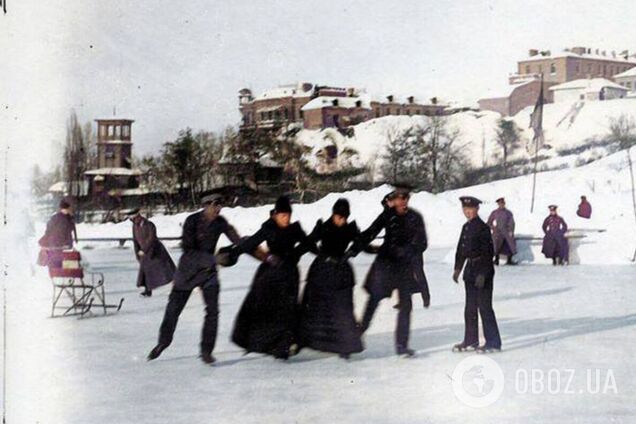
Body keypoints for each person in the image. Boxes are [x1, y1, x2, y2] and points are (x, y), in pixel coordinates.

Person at [147, 194, 241, 365]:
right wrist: (215, 260)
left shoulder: (221, 222)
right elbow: (189, 252)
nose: (218, 209)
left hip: (208, 274)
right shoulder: (192, 221)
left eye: (220, 205)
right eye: (215, 205)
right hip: (187, 273)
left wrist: (246, 243)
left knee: (212, 312)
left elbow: (237, 239)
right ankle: (163, 342)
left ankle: (206, 351)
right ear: (205, 206)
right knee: (173, 310)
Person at [348, 185, 430, 357]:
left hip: (404, 267)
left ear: (408, 199)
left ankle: (402, 346)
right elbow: (370, 232)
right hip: (385, 266)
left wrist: (408, 250)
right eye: (399, 198)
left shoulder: (415, 218)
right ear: (395, 198)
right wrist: (353, 250)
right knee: (373, 301)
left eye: (405, 198)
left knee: (406, 306)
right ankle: (354, 338)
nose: (402, 201)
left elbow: (422, 243)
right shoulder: (388, 215)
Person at [229, 196, 310, 360]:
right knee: (266, 309)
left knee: (287, 311)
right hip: (271, 274)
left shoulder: (295, 229)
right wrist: (234, 253)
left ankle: (283, 346)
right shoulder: (269, 228)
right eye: (282, 215)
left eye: (288, 215)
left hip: (289, 275)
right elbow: (251, 242)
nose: (286, 219)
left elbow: (307, 243)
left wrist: (296, 253)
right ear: (275, 215)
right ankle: (264, 343)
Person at [297, 198, 363, 359]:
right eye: (339, 217)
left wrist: (352, 252)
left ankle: (345, 345)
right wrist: (320, 254)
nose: (342, 220)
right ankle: (301, 341)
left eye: (345, 217)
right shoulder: (324, 227)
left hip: (341, 271)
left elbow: (362, 242)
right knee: (313, 306)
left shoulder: (350, 229)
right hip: (322, 271)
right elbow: (308, 242)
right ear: (333, 214)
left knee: (344, 308)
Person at [452, 196, 501, 353]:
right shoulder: (465, 227)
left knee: (485, 307)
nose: (468, 212)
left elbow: (489, 252)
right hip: (470, 270)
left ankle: (493, 342)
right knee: (470, 308)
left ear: (477, 209)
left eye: (471, 209)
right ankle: (471, 340)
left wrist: (483, 274)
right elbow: (461, 249)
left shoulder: (483, 228)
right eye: (465, 210)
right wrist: (458, 269)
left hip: (483, 270)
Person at [127, 209, 176, 297]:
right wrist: (137, 252)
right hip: (144, 252)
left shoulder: (149, 224)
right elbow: (135, 240)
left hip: (156, 251)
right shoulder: (134, 226)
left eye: (131, 216)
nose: (130, 218)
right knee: (146, 271)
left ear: (137, 216)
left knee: (167, 270)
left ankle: (178, 284)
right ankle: (148, 290)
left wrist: (144, 250)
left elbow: (152, 239)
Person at [38, 199, 78, 268]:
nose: (67, 210)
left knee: (59, 258)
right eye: (65, 209)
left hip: (61, 243)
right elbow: (50, 229)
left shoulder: (66, 218)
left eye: (67, 209)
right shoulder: (63, 218)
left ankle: (58, 271)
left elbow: (49, 229)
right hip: (58, 243)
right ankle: (58, 271)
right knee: (59, 259)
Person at [486, 197, 517, 265]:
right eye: (500, 204)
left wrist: (511, 230)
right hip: (497, 232)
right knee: (496, 244)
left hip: (506, 231)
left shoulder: (508, 213)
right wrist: (493, 227)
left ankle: (509, 260)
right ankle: (496, 260)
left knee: (509, 243)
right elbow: (489, 222)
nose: (501, 205)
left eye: (502, 203)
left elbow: (512, 222)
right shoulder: (495, 212)